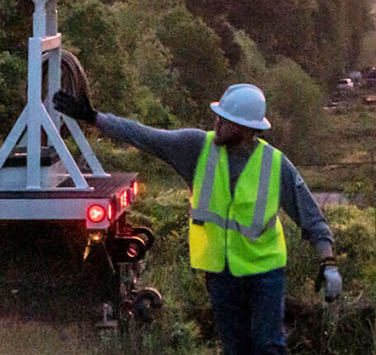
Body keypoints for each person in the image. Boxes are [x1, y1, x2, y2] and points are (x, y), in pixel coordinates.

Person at [53, 82, 341, 355]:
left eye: (224, 120)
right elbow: (143, 135)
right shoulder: (195, 147)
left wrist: (328, 263)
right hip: (220, 274)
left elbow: (311, 217)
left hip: (265, 273)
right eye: (217, 116)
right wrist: (93, 117)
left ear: (246, 129)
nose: (216, 122)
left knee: (269, 346)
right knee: (235, 349)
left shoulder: (275, 165)